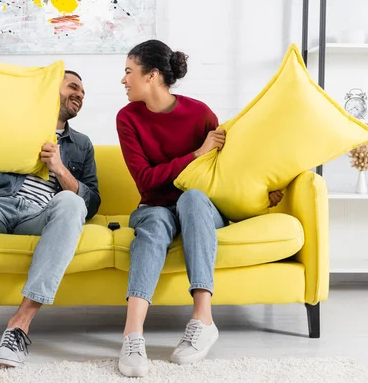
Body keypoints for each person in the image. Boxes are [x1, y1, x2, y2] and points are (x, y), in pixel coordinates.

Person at [115, 40, 284, 377]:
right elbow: (146, 182)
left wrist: (263, 186)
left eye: (129, 72)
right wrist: (194, 155)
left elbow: (227, 166)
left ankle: (203, 319)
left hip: (200, 209)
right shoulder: (127, 118)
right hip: (155, 205)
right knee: (153, 226)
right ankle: (132, 336)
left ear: (151, 76)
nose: (123, 80)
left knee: (191, 197)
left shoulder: (200, 114)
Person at [0, 70, 100, 366]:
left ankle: (19, 325)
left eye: (83, 91)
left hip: (39, 216)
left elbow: (91, 203)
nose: (80, 94)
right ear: (52, 89)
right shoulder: (12, 126)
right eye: (73, 87)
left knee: (72, 202)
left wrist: (59, 168)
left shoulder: (82, 145)